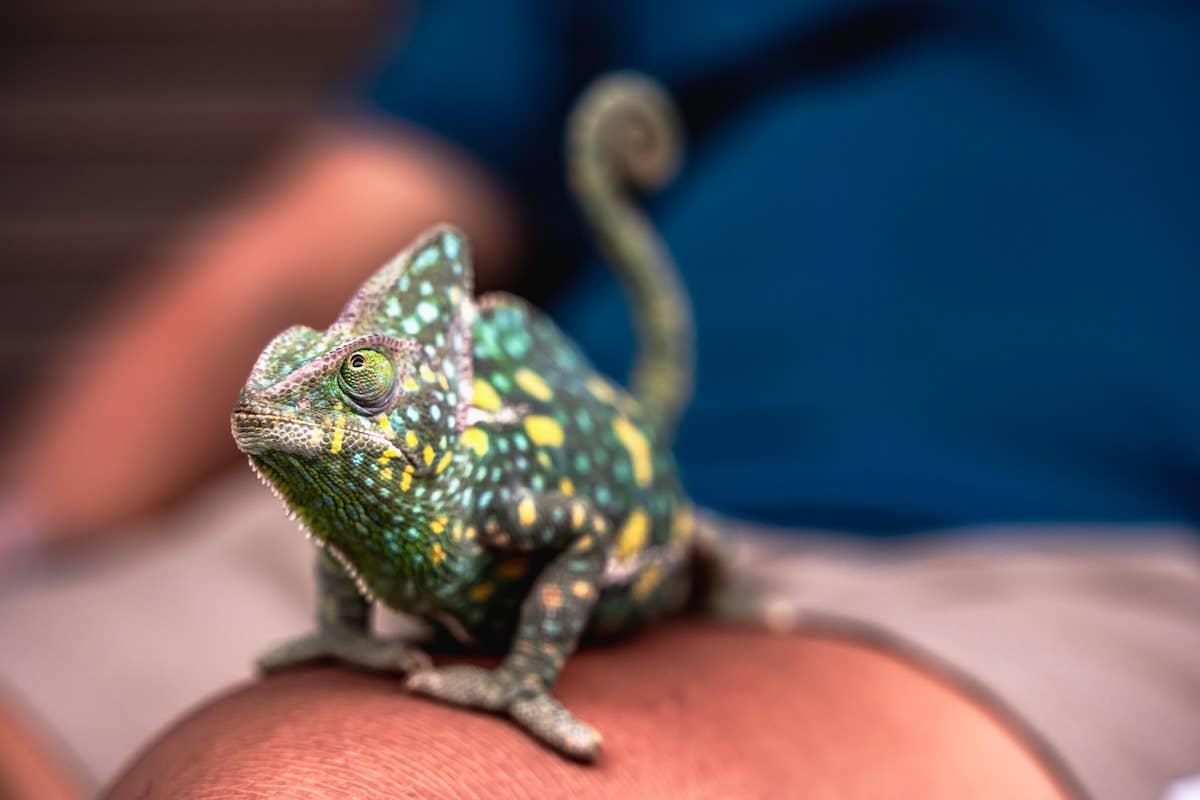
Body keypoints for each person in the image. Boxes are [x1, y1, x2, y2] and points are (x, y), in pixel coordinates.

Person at [2, 2, 1198, 797]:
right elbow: (299, 239)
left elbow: (576, 539)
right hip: (399, 478)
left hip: (1031, 555)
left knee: (330, 779)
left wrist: (521, 680)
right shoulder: (372, 473)